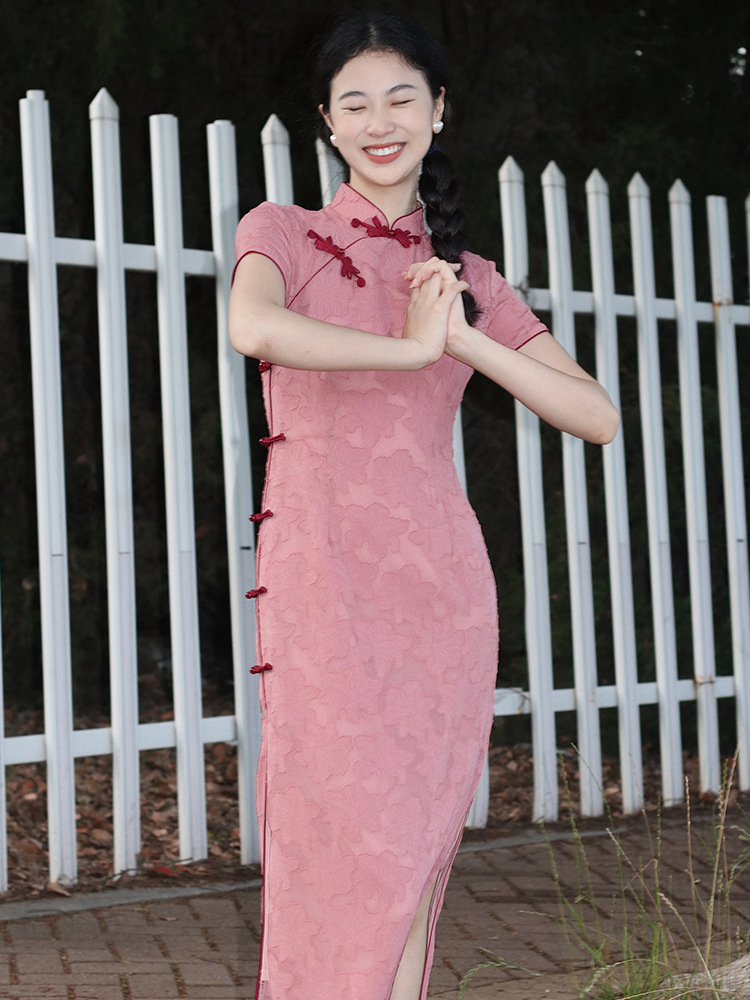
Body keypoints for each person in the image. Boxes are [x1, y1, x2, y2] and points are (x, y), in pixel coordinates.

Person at [228, 12, 619, 1000]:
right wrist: (403, 348)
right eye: (354, 102)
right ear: (325, 121)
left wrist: (460, 335)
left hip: (439, 597)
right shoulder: (281, 231)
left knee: (411, 856)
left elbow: (596, 415)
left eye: (402, 97)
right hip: (319, 585)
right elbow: (252, 324)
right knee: (337, 846)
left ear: (440, 111)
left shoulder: (469, 280)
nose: (380, 120)